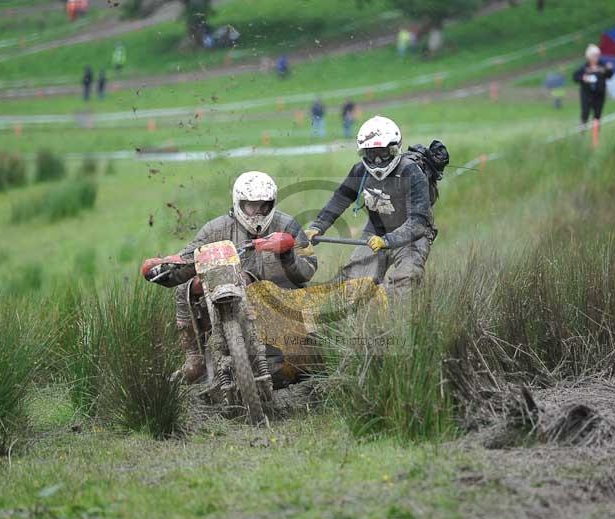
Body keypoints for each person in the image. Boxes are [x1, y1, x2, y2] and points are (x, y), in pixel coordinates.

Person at [172, 171, 317, 382]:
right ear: (238, 203)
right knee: (185, 289)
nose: (257, 212)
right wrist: (165, 269)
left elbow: (309, 269)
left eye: (264, 206)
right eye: (251, 206)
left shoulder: (286, 225)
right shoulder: (215, 230)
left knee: (303, 367)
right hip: (230, 309)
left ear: (272, 203)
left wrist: (287, 254)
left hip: (282, 311)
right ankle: (195, 357)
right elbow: (187, 261)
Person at [305, 116, 434, 297]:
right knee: (351, 285)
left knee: (405, 280)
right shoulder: (360, 171)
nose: (379, 160)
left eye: (383, 152)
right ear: (363, 153)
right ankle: (355, 321)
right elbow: (340, 198)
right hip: (375, 233)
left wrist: (388, 241)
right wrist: (318, 226)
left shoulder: (411, 171)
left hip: (412, 237)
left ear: (395, 148)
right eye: (372, 153)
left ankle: (393, 319)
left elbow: (419, 221)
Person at [573, 44, 614, 125]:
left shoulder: (603, 65)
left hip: (599, 93)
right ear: (589, 56)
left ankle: (595, 134)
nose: (597, 57)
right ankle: (582, 131)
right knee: (585, 112)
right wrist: (583, 78)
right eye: (595, 55)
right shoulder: (584, 67)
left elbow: (609, 76)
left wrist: (608, 70)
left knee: (597, 113)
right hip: (586, 93)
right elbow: (575, 76)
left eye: (598, 55)